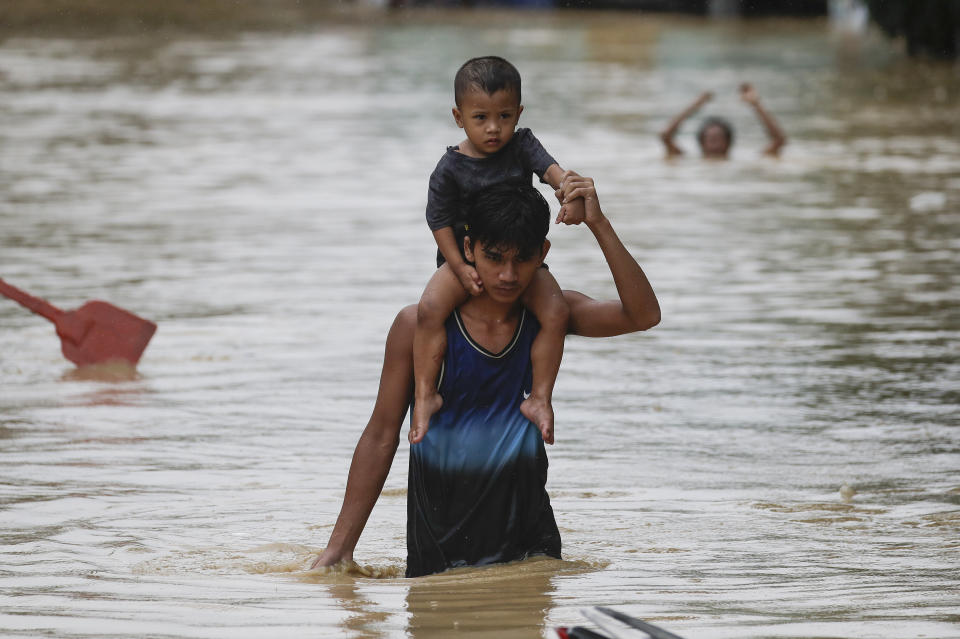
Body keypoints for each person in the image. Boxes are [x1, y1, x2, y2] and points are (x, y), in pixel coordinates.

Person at [311, 173, 660, 577]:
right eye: (494, 257)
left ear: (543, 251)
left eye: (523, 259)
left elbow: (643, 315)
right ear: (468, 249)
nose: (508, 275)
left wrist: (598, 223)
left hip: (531, 554)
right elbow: (381, 434)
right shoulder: (418, 329)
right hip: (437, 554)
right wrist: (340, 549)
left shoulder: (551, 316)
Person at [412, 56, 586, 449]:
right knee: (427, 311)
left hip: (520, 260)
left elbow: (555, 173)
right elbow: (438, 220)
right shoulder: (449, 168)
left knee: (557, 311)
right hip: (467, 258)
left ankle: (540, 398)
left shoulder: (522, 145)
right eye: (480, 118)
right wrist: (459, 266)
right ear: (459, 117)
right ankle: (425, 395)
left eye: (505, 116)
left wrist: (569, 194)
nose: (494, 128)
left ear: (519, 113)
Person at [659, 83, 787, 159]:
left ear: (728, 143)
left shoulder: (742, 161)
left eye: (719, 139)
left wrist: (756, 105)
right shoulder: (688, 160)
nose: (715, 144)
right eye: (711, 139)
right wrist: (694, 106)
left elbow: (779, 141)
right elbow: (665, 137)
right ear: (702, 143)